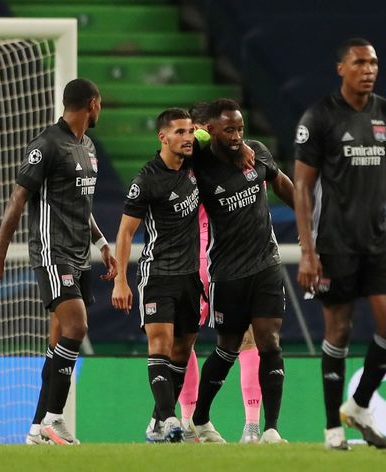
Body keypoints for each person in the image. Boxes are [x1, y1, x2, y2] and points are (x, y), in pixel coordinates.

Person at [0, 78, 118, 446]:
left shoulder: (86, 146)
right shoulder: (47, 145)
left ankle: (36, 428)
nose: (100, 110)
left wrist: (102, 243)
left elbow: (80, 204)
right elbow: (18, 200)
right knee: (76, 327)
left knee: (57, 342)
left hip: (79, 252)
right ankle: (53, 421)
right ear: (92, 104)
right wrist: (0, 252)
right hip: (51, 250)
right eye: (100, 105)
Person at [293, 38, 386, 450]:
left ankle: (359, 405)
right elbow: (303, 188)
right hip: (334, 244)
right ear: (340, 68)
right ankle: (332, 429)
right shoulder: (320, 116)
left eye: (374, 62)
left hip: (378, 241)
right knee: (339, 330)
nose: (369, 69)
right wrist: (307, 251)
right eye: (360, 62)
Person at [188, 98, 294, 444]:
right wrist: (226, 141)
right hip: (218, 267)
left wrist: (312, 221)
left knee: (268, 341)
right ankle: (195, 417)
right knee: (222, 347)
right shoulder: (199, 163)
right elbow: (184, 135)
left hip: (265, 263)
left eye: (241, 128)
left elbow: (281, 182)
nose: (236, 134)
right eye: (228, 128)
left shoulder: (257, 153)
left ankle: (268, 428)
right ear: (211, 129)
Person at [111, 108, 201, 443]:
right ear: (162, 137)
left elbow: (213, 133)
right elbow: (124, 233)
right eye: (180, 132)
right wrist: (121, 279)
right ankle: (170, 419)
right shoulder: (146, 179)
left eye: (190, 131)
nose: (188, 137)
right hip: (158, 273)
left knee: (183, 349)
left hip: (191, 275)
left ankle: (156, 424)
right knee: (161, 344)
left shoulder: (194, 162)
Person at [177, 102, 264, 443]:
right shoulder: (216, 159)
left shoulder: (178, 160)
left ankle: (188, 424)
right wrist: (238, 145)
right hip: (221, 259)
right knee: (247, 342)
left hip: (193, 260)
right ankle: (251, 426)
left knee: (187, 341)